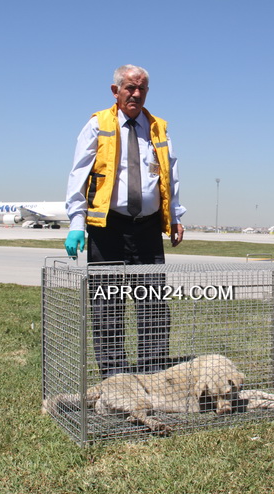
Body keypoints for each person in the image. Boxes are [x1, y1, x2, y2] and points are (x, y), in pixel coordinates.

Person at [64, 64, 186, 379]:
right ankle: (115, 375)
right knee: (107, 303)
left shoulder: (158, 127)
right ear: (115, 90)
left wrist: (174, 217)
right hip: (108, 228)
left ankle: (153, 371)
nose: (135, 94)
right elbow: (78, 174)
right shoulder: (98, 124)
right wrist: (77, 224)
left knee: (153, 304)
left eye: (142, 88)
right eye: (130, 88)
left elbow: (169, 176)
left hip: (147, 228)